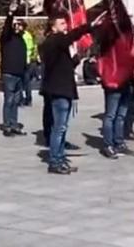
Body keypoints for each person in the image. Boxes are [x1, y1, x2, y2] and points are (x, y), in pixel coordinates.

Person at [40, 13, 103, 173]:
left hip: (64, 89)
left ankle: (60, 158)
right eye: (61, 23)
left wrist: (76, 57)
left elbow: (65, 66)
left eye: (65, 23)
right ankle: (55, 161)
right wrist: (89, 26)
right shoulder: (54, 40)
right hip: (59, 90)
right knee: (59, 128)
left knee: (62, 127)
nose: (65, 26)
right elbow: (72, 36)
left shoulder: (57, 44)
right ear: (53, 27)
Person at [0, 4, 27, 137]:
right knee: (9, 100)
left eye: (20, 26)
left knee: (16, 101)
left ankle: (14, 124)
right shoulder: (7, 38)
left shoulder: (21, 40)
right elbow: (6, 29)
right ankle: (7, 126)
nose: (18, 27)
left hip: (19, 74)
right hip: (9, 74)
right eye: (16, 25)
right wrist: (10, 13)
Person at [21, 21, 38, 107]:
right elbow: (32, 47)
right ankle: (28, 98)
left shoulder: (22, 36)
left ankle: (21, 99)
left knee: (21, 80)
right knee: (27, 81)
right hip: (29, 60)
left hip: (22, 59)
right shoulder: (28, 35)